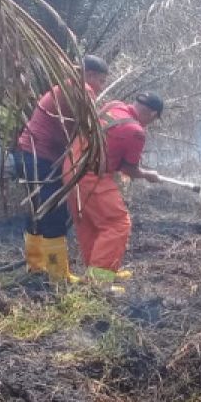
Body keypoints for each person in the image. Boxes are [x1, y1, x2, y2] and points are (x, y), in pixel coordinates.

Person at [15, 54, 109, 282]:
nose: (101, 87)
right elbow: (92, 129)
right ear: (91, 75)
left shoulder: (66, 87)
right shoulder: (82, 89)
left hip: (27, 154)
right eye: (102, 81)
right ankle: (58, 275)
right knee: (53, 212)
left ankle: (36, 265)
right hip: (40, 158)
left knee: (38, 210)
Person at [66, 93, 164, 290]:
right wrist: (147, 174)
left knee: (90, 223)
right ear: (153, 114)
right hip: (90, 176)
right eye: (154, 120)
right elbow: (129, 169)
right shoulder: (135, 131)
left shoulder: (113, 105)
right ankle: (100, 283)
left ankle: (98, 270)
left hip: (70, 168)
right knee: (118, 224)